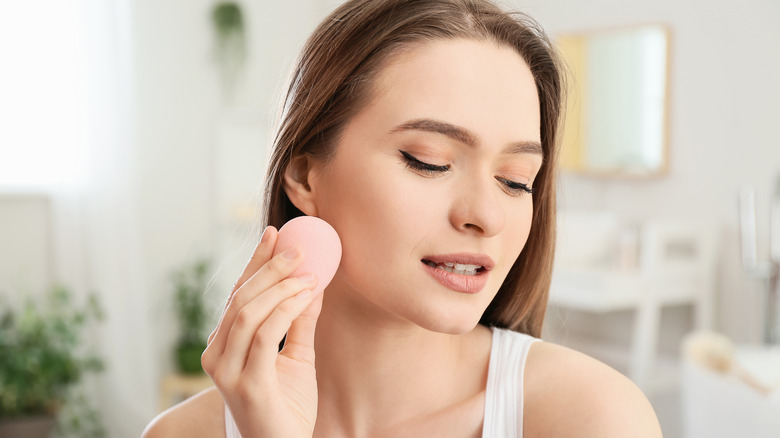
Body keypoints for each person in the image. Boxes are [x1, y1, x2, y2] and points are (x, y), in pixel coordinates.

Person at [143, 0, 662, 436]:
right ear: (303, 175)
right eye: (429, 161)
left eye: (516, 180)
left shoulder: (592, 417)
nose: (486, 215)